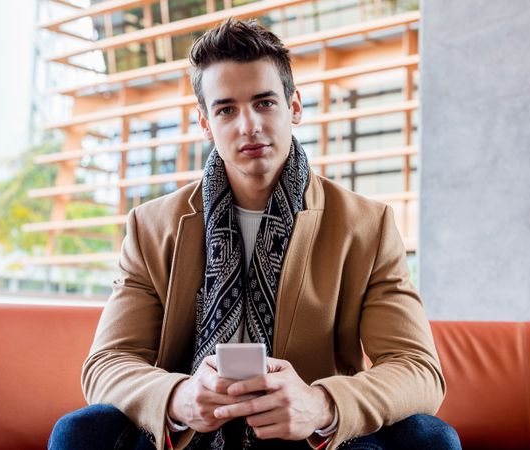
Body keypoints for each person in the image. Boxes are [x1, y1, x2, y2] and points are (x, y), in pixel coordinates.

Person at [49, 18, 460, 450]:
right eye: (226, 109)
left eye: (264, 103)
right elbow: (107, 364)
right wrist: (178, 396)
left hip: (308, 437)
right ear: (205, 123)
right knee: (80, 431)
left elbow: (418, 368)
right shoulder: (151, 226)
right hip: (190, 434)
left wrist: (321, 404)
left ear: (294, 107)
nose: (248, 125)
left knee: (430, 438)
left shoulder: (366, 224)